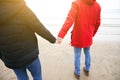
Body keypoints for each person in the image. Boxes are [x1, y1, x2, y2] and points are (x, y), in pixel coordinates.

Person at [0, 0, 56, 80]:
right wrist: (53, 39)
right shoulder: (21, 8)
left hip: (11, 59)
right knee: (37, 76)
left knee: (22, 78)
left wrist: (4, 58)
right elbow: (38, 27)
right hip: (30, 55)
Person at [56, 0, 101, 79]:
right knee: (87, 53)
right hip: (88, 36)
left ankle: (77, 73)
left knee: (77, 55)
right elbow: (98, 23)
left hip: (78, 36)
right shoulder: (97, 6)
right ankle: (87, 69)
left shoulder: (77, 3)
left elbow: (69, 20)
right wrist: (92, 34)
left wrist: (61, 35)